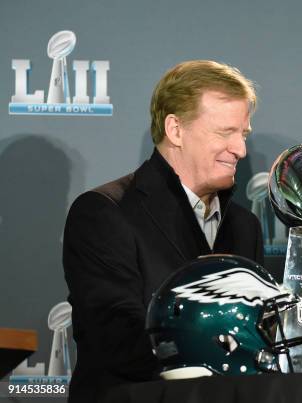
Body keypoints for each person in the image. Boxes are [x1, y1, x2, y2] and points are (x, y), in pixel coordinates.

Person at [63, 60, 263, 402]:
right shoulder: (104, 212)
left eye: (243, 134)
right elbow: (118, 340)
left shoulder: (245, 226)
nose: (241, 150)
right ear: (175, 130)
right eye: (225, 132)